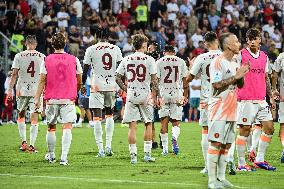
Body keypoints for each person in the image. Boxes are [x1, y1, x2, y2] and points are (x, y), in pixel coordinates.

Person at [207, 33, 249, 189]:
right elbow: (216, 84)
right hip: (219, 108)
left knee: (226, 145)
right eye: (236, 41)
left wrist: (242, 74)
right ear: (229, 45)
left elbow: (240, 85)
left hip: (232, 108)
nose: (239, 43)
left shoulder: (234, 62)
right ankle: (212, 181)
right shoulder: (218, 62)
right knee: (216, 142)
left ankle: (222, 177)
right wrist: (236, 76)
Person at [35, 32, 83, 165]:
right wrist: (75, 91)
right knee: (67, 127)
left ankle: (51, 156)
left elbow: (41, 81)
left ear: (52, 44)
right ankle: (63, 158)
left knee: (51, 127)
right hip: (68, 98)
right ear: (65, 44)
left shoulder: (46, 59)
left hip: (51, 98)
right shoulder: (74, 59)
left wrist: (37, 99)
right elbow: (79, 80)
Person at [235, 28, 276, 171]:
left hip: (261, 100)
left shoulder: (264, 56)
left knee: (270, 128)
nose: (252, 41)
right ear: (247, 41)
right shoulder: (241, 55)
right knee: (245, 130)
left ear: (260, 40)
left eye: (255, 38)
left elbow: (266, 77)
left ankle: (259, 159)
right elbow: (235, 75)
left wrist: (270, 96)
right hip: (246, 100)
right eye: (249, 39)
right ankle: (241, 164)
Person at [115, 34, 158, 164]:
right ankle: (147, 155)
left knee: (132, 127)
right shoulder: (150, 60)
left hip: (132, 93)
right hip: (145, 94)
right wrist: (156, 96)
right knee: (148, 123)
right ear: (144, 45)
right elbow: (155, 81)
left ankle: (133, 157)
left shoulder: (127, 59)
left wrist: (125, 88)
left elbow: (117, 77)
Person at [83, 27, 123, 157]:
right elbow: (120, 69)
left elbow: (85, 70)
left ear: (96, 36)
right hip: (111, 85)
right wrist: (120, 86)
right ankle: (108, 146)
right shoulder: (115, 49)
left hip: (96, 85)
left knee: (97, 117)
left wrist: (82, 85)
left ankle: (100, 149)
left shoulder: (91, 49)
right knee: (110, 114)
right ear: (108, 36)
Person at [186, 31, 222, 174]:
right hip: (222, 98)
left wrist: (191, 67)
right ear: (217, 41)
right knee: (223, 131)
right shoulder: (225, 56)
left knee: (205, 131)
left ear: (206, 43)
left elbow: (189, 78)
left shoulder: (201, 57)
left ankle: (208, 167)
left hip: (207, 99)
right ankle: (226, 161)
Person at [7, 35, 45, 153]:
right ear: (36, 44)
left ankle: (24, 142)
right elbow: (45, 76)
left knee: (21, 115)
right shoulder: (42, 56)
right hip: (36, 91)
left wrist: (9, 89)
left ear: (25, 44)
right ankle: (32, 146)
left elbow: (14, 75)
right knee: (34, 117)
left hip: (21, 89)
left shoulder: (19, 56)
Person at [156, 45, 188, 156]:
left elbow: (156, 81)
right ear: (174, 52)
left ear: (164, 52)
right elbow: (185, 80)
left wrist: (156, 97)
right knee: (176, 123)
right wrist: (186, 95)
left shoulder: (159, 62)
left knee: (164, 122)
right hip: (177, 94)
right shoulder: (181, 61)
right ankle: (174, 137)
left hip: (163, 94)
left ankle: (165, 150)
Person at [272, 52, 284, 163]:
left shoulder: (281, 56)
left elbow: (275, 74)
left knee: (283, 124)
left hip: (283, 96)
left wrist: (274, 88)